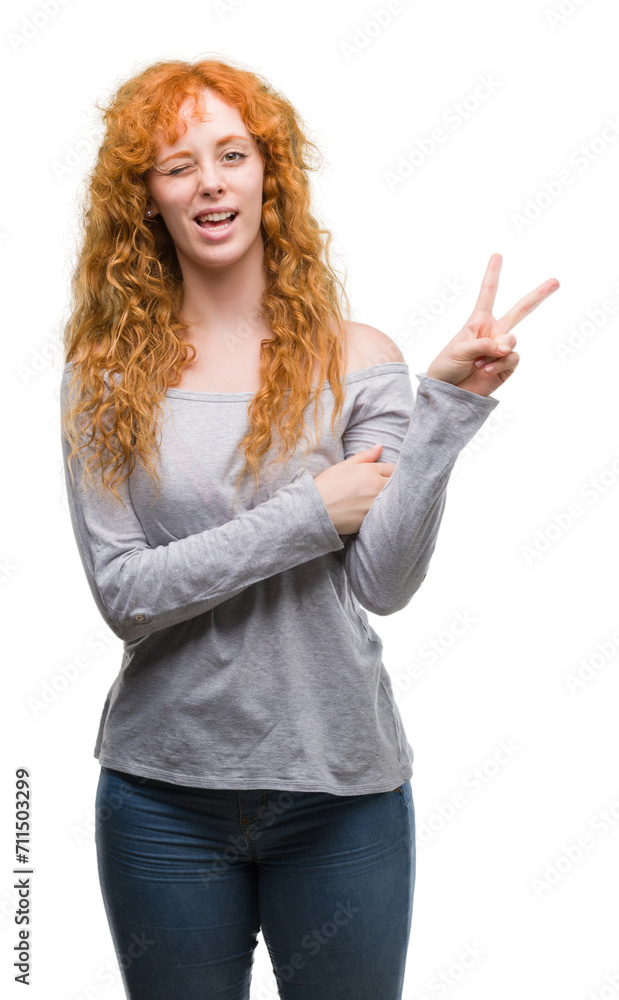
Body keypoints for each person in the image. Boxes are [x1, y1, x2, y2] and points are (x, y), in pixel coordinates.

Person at [59, 56, 559, 1000]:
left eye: (232, 154)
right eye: (177, 164)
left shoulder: (359, 359)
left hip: (343, 796)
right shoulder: (105, 375)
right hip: (162, 798)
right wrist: (305, 514)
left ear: (267, 175)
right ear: (148, 200)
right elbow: (126, 596)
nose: (209, 182)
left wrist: (442, 406)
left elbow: (384, 584)